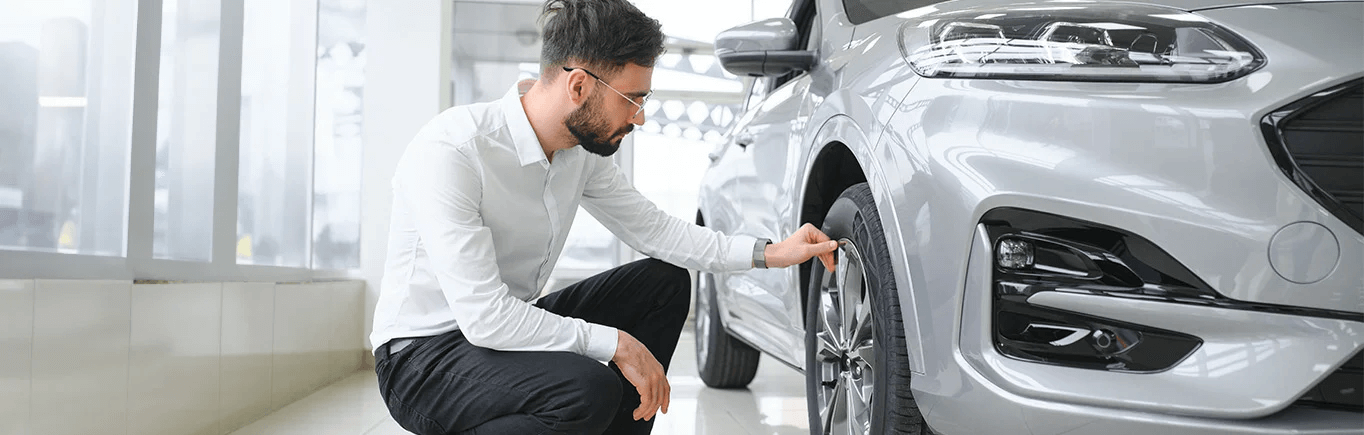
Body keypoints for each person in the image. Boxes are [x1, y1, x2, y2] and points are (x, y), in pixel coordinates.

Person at [370, 0, 839, 434]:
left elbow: (653, 229)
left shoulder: (579, 155)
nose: (639, 119)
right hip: (422, 358)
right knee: (585, 389)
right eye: (632, 99)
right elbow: (485, 318)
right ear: (579, 86)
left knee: (665, 284)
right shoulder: (454, 150)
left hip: (503, 332)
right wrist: (615, 342)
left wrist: (771, 253)